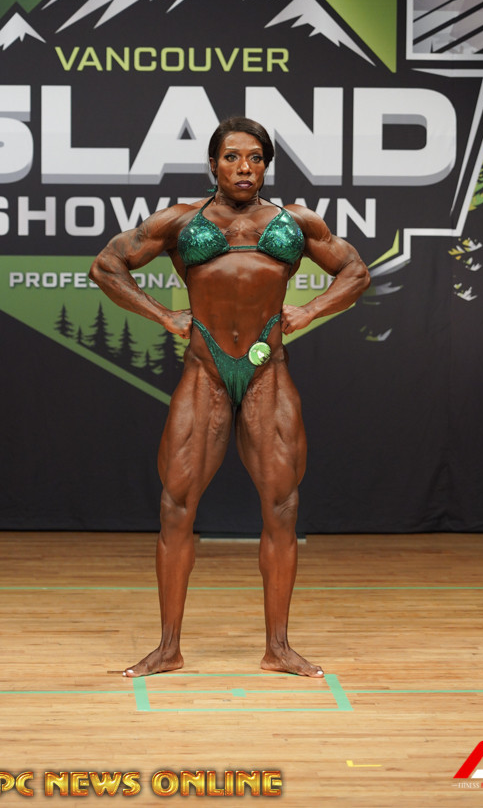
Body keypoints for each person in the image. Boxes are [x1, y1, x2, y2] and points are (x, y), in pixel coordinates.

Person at [89, 117, 370, 678]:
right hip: (206, 371)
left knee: (282, 507)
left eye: (255, 158)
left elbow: (355, 272)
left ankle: (279, 648)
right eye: (233, 157)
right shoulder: (180, 221)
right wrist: (162, 314)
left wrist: (311, 310)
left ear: (266, 166)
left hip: (268, 373)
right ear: (213, 163)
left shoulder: (295, 222)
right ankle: (168, 648)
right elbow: (106, 265)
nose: (245, 168)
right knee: (176, 505)